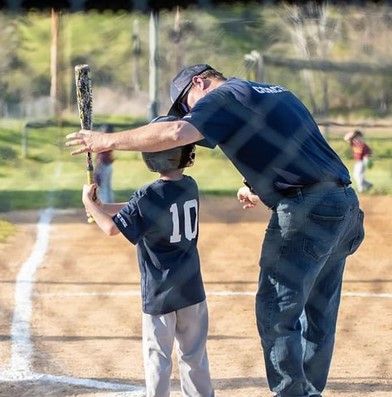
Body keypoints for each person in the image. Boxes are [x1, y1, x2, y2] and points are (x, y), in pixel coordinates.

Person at [67, 64, 365, 397]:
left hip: (305, 213)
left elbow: (177, 134)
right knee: (319, 314)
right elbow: (295, 148)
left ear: (200, 82)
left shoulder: (223, 96)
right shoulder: (276, 92)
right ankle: (309, 391)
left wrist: (104, 141)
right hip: (343, 206)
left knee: (275, 311)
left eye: (186, 104)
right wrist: (256, 184)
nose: (190, 113)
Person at [82, 115, 214, 397]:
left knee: (159, 358)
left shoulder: (148, 195)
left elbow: (111, 229)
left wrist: (89, 204)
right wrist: (102, 205)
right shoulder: (190, 186)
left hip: (160, 292)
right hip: (192, 289)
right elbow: (138, 209)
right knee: (194, 356)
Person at [94, 124, 115, 203]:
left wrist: (97, 168)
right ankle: (110, 205)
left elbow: (101, 157)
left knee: (103, 188)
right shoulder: (111, 141)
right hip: (108, 166)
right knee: (107, 187)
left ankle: (105, 205)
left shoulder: (104, 141)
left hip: (103, 166)